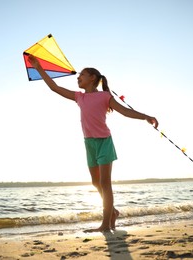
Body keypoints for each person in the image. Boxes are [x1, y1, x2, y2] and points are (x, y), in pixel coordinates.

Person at [28, 54, 158, 232]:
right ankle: (112, 212)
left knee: (105, 184)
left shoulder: (105, 96)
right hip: (89, 143)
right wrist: (38, 67)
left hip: (104, 142)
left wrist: (146, 117)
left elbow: (124, 111)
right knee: (95, 183)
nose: (78, 77)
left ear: (93, 78)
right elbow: (54, 87)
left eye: (82, 74)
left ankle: (105, 224)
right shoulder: (79, 97)